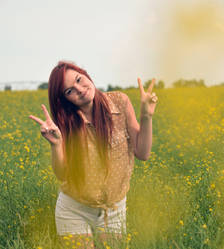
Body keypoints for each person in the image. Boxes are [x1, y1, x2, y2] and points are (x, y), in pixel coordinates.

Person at [29, 61, 158, 248]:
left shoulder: (120, 102)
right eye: (69, 91)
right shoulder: (67, 123)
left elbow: (143, 153)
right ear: (66, 99)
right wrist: (56, 145)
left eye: (79, 80)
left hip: (114, 210)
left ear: (86, 74)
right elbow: (62, 174)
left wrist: (146, 116)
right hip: (74, 210)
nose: (80, 89)